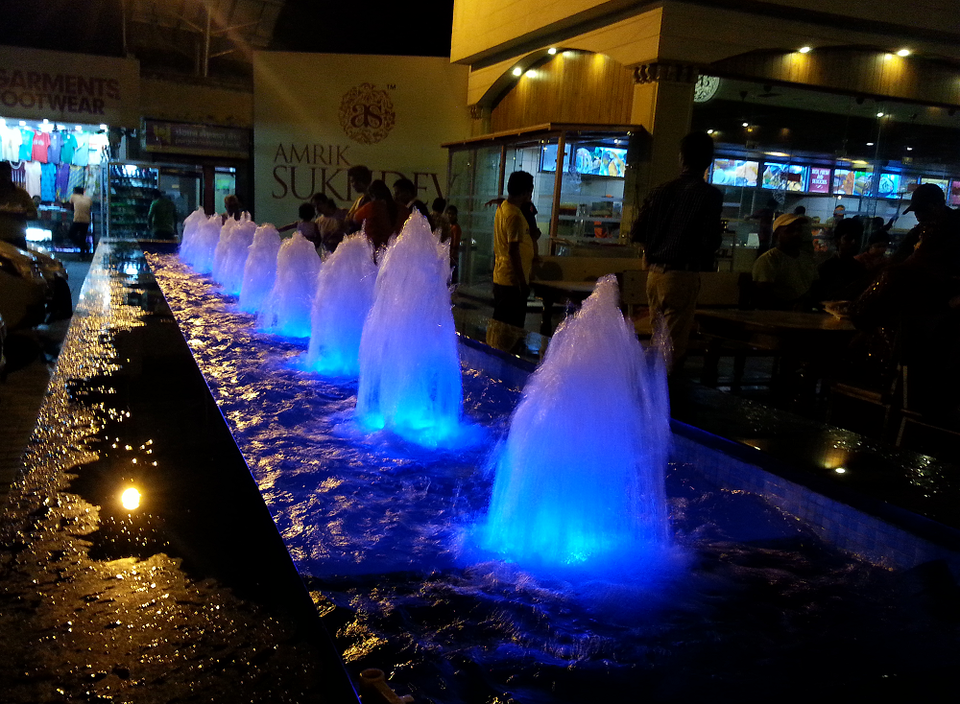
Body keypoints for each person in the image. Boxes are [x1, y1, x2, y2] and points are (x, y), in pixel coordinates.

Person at [629, 131, 723, 370]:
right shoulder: (709, 195)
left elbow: (636, 232)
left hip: (653, 275)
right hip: (682, 275)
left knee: (658, 339)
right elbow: (710, 241)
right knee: (672, 348)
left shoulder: (660, 191)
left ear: (681, 158)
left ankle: (652, 387)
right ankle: (666, 390)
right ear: (709, 160)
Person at [492, 170, 536, 330]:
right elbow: (513, 250)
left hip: (502, 276)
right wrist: (522, 283)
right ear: (524, 192)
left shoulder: (503, 207)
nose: (531, 194)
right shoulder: (514, 216)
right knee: (511, 328)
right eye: (530, 190)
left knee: (502, 324)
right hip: (512, 281)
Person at [751, 213, 819, 310]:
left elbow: (815, 286)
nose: (796, 234)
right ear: (776, 236)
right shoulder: (768, 260)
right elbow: (763, 296)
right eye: (789, 231)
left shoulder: (807, 258)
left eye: (799, 230)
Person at [812, 218, 867, 302]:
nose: (854, 242)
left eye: (857, 238)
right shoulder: (825, 269)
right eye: (848, 238)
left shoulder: (860, 269)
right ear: (837, 241)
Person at [351, 179, 397, 253]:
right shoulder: (398, 207)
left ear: (372, 195)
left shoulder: (372, 206)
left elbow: (355, 218)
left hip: (373, 245)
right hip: (392, 245)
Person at [0, 160, 37, 249]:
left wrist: (20, 214)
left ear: (10, 175)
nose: (3, 178)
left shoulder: (21, 193)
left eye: (6, 174)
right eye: (1, 175)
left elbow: (34, 214)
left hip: (17, 240)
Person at [67, 186, 93, 257]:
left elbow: (71, 207)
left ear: (75, 192)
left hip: (77, 219)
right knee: (82, 237)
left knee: (70, 235)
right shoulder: (88, 199)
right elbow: (89, 208)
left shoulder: (73, 196)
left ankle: (84, 247)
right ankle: (83, 253)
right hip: (86, 220)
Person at [445, 204, 462, 277]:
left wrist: (451, 255)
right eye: (449, 213)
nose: (450, 216)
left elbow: (455, 243)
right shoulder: (449, 226)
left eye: (452, 214)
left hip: (452, 257)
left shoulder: (455, 228)